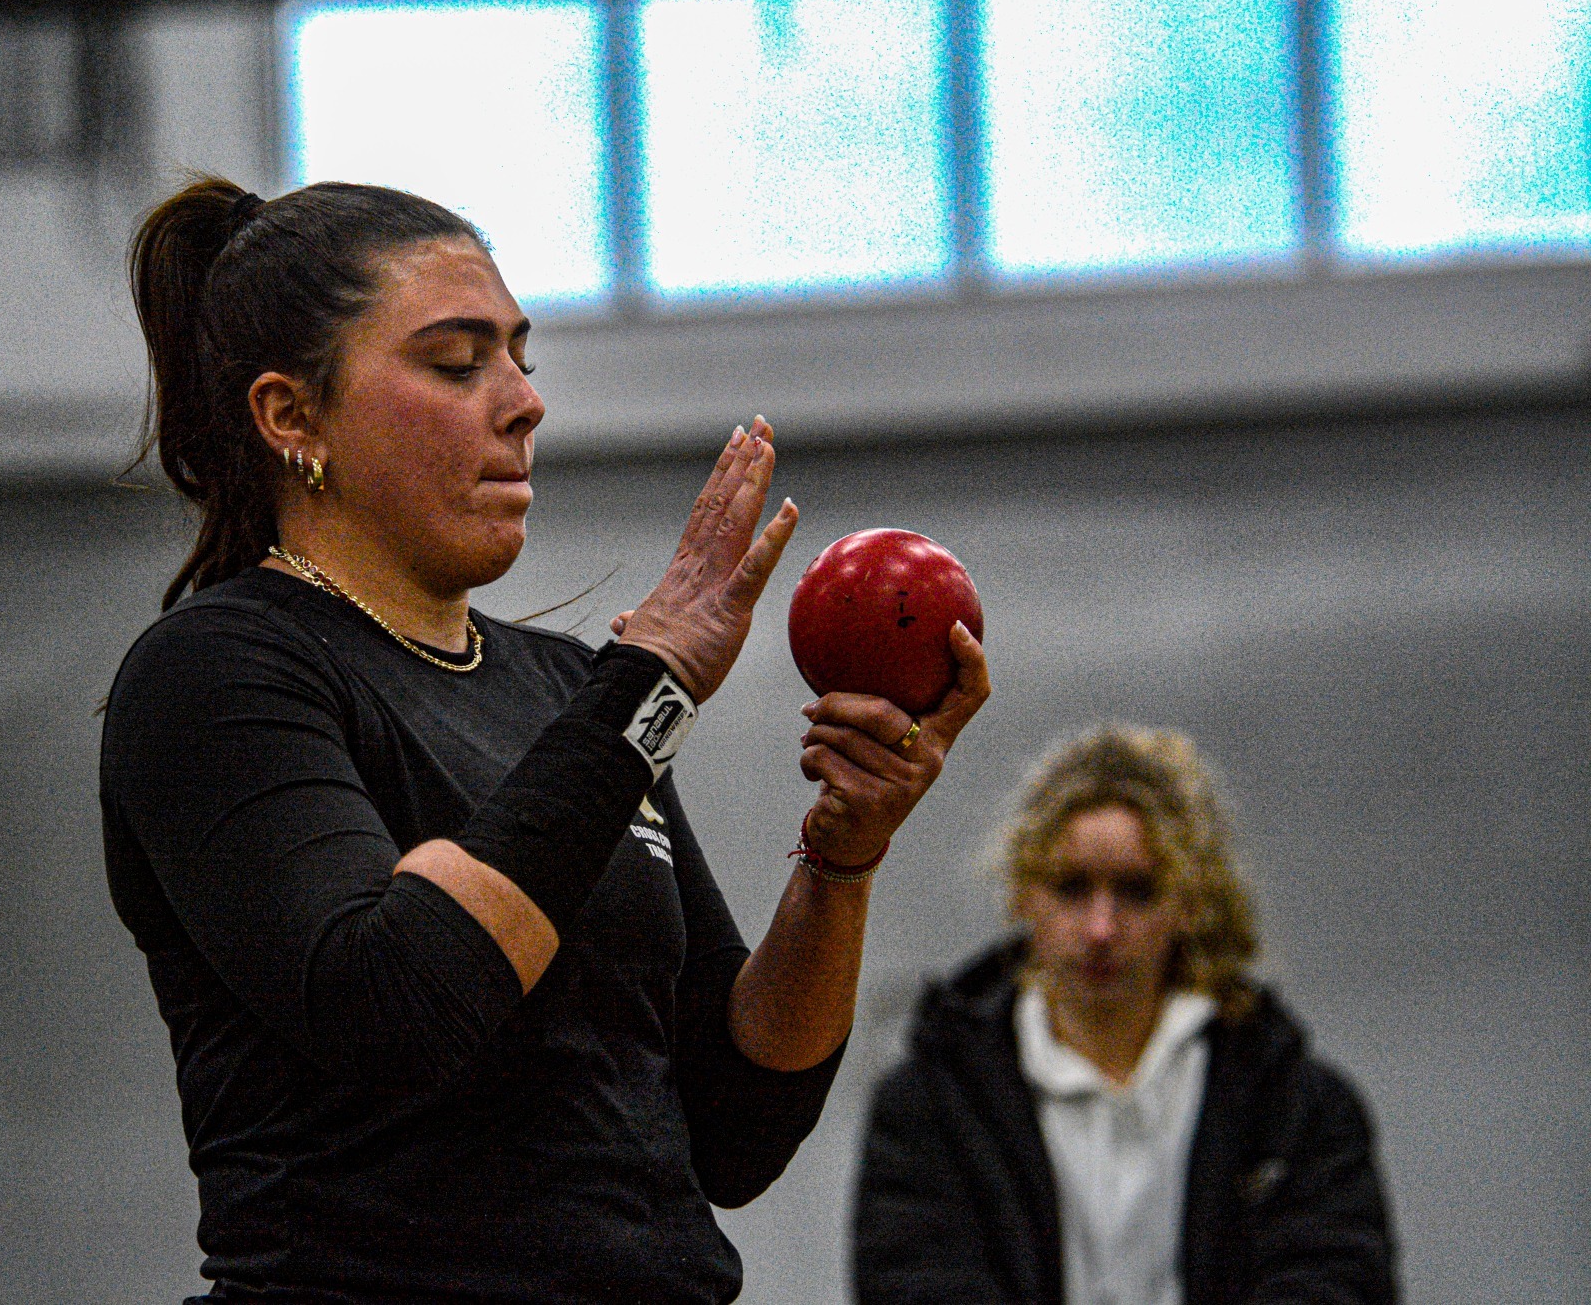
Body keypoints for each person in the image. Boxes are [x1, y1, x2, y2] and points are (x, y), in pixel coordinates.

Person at [98, 178, 990, 1303]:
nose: (522, 402)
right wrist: (647, 685)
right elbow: (402, 1005)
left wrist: (843, 856)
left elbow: (736, 1126)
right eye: (455, 361)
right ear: (291, 417)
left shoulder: (566, 687)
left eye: (520, 357)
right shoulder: (218, 669)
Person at [852, 725, 1398, 1305]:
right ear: (1021, 893)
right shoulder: (931, 1108)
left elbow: (1337, 1284)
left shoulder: (1296, 1109)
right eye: (1070, 888)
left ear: (1190, 901)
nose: (1101, 929)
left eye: (1137, 891)